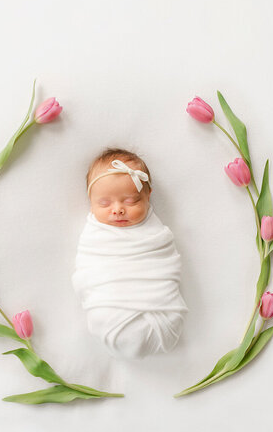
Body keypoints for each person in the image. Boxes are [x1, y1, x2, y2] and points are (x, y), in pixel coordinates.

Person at [71, 148, 189, 360]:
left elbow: (166, 264)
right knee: (102, 311)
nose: (117, 209)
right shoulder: (94, 238)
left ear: (148, 196)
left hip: (161, 312)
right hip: (109, 311)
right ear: (91, 200)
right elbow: (88, 270)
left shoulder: (156, 235)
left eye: (130, 201)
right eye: (104, 203)